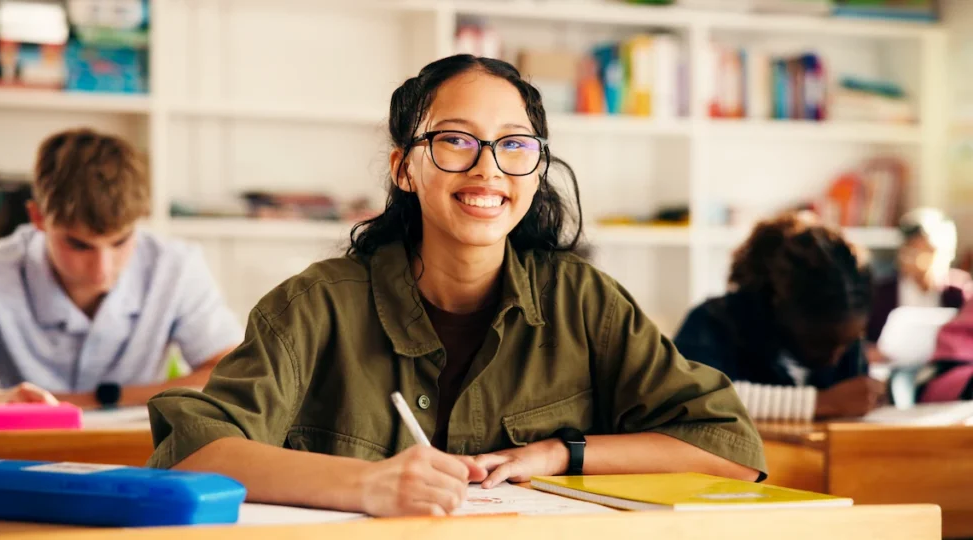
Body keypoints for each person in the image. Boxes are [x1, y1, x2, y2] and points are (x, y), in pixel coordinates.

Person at [145, 55, 766, 518]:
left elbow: (729, 449)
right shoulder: (314, 306)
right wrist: (368, 485)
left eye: (513, 145)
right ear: (404, 168)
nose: (487, 168)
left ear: (536, 169)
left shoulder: (585, 302)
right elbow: (192, 454)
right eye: (456, 140)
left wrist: (559, 453)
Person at [0, 128, 242, 406]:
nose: (102, 269)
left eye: (120, 242)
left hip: (134, 441)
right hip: (10, 441)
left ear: (139, 218)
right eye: (79, 245)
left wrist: (97, 400)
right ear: (38, 218)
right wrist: (3, 402)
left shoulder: (176, 266)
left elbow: (232, 377)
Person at [674, 212, 886, 420]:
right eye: (819, 344)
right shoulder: (713, 322)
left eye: (847, 344)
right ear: (777, 304)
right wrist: (822, 403)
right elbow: (690, 396)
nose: (834, 358)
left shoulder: (842, 339)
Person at [867, 208, 971, 344]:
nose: (912, 257)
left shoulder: (959, 290)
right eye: (910, 249)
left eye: (927, 251)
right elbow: (870, 340)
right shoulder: (883, 292)